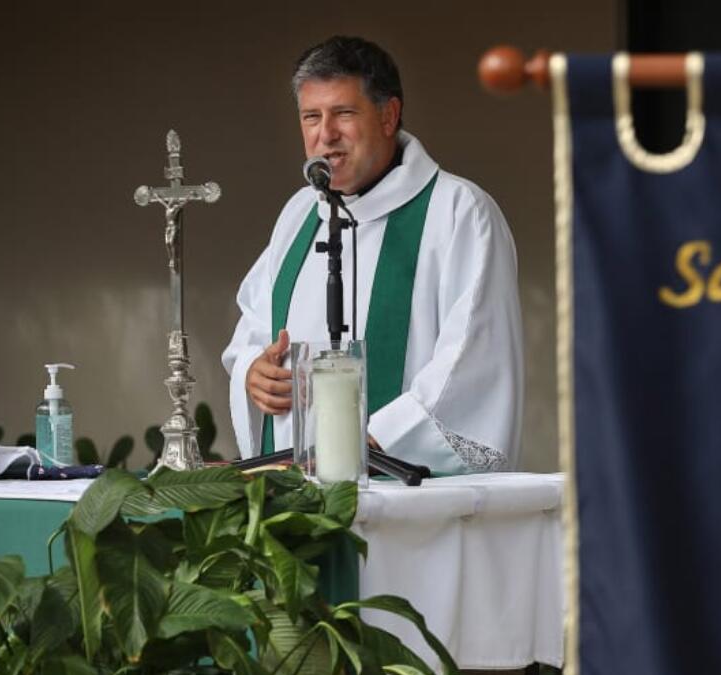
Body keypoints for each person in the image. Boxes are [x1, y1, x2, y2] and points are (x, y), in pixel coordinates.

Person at [222, 35, 522, 474]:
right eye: (311, 117)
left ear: (388, 116)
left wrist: (370, 439)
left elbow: (475, 355)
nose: (326, 135)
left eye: (343, 113)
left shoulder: (459, 212)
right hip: (294, 489)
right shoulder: (300, 213)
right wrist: (253, 369)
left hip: (403, 496)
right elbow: (254, 320)